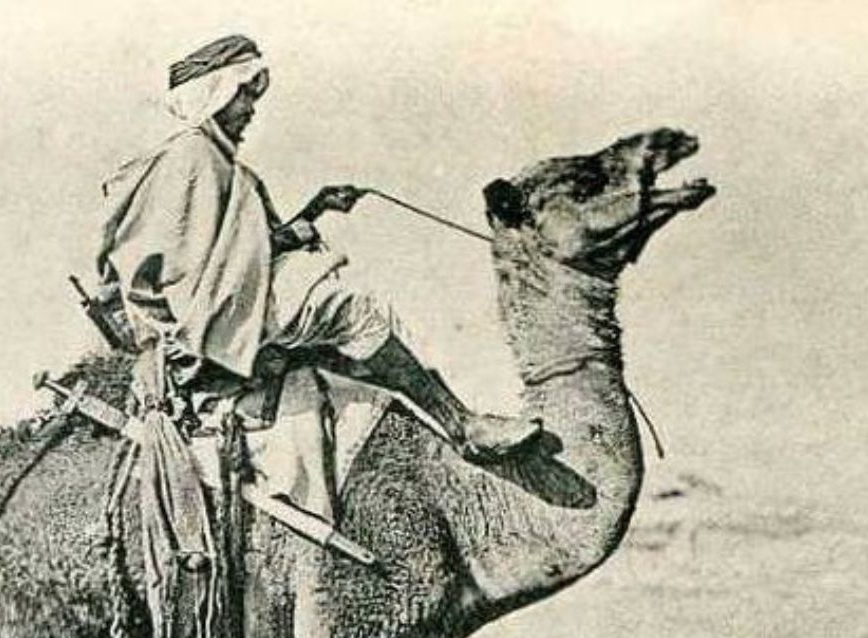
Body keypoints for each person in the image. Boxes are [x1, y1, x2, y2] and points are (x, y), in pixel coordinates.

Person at [94, 33, 543, 463]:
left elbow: (237, 254)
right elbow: (195, 273)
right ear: (215, 94)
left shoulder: (210, 159)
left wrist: (317, 209)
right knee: (357, 312)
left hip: (220, 305)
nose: (251, 109)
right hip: (203, 321)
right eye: (244, 96)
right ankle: (462, 427)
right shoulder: (195, 158)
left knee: (351, 322)